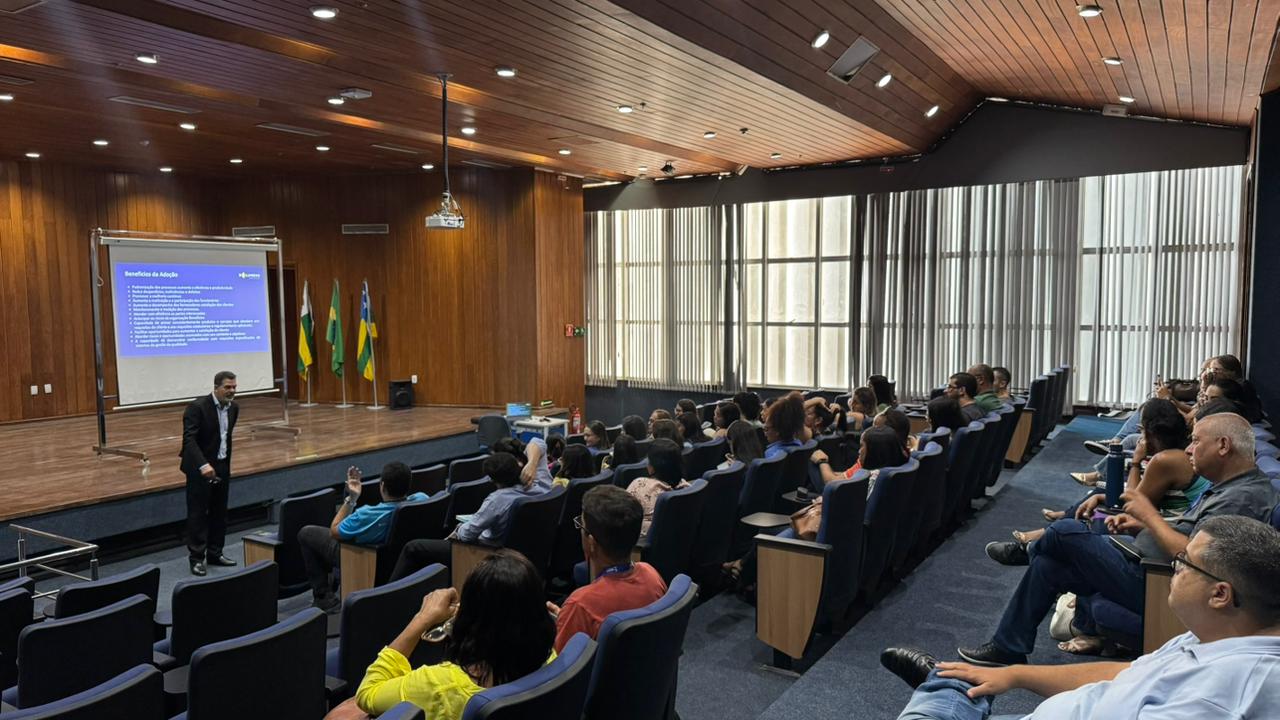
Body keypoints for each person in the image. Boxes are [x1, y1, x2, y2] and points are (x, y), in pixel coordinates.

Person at [879, 515, 1280, 720]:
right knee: (963, 682)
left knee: (939, 699)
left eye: (1184, 562)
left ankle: (943, 693)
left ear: (1220, 594)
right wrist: (1015, 676)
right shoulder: (1214, 636)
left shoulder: (1222, 696)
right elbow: (1128, 673)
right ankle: (954, 688)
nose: (1174, 565)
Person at [956, 413, 1279, 666]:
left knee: (1064, 531)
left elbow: (1197, 560)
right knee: (1048, 565)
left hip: (1162, 583)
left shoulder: (1243, 497)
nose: (1189, 449)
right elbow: (1188, 534)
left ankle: (1027, 549)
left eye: (1196, 441)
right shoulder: (1229, 486)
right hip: (1149, 565)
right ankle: (1008, 647)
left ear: (1223, 446)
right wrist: (1140, 526)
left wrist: (1148, 515)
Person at [352, 550, 556, 718]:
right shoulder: (552, 660)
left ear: (471, 619)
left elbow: (368, 693)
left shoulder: (440, 686)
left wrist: (422, 619)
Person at [546, 486, 667, 652]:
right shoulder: (652, 575)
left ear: (591, 543)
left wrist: (566, 620)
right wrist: (568, 619)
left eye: (581, 525)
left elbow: (563, 661)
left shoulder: (580, 605)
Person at [389, 453, 541, 582]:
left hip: (485, 551)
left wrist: (458, 530)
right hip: (520, 552)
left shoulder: (497, 499)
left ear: (493, 479)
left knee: (413, 547)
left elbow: (467, 535)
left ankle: (391, 591)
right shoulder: (535, 490)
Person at [298, 462, 427, 612]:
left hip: (363, 556)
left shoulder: (366, 515)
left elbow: (334, 531)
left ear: (382, 486)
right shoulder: (422, 499)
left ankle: (324, 598)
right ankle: (335, 580)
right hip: (398, 557)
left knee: (307, 533)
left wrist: (351, 499)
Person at [179, 370, 240, 576]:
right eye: (227, 387)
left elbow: (224, 437)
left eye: (234, 387)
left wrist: (223, 465)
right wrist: (203, 465)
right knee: (198, 513)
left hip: (221, 466)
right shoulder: (197, 407)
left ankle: (215, 553)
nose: (232, 391)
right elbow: (189, 440)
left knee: (219, 512)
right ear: (216, 387)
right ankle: (197, 558)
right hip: (200, 468)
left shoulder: (234, 408)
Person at [810, 425, 908, 495]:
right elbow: (843, 476)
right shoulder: (894, 467)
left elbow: (832, 483)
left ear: (873, 451)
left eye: (862, 446)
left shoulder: (867, 477)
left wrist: (822, 461)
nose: (859, 451)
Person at [624, 438, 689, 536]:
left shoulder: (639, 485)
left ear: (653, 467)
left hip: (641, 540)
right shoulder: (686, 487)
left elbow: (621, 516)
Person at [763, 391, 806, 458]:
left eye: (766, 429)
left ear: (777, 430)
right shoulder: (799, 445)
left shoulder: (771, 454)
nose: (765, 434)